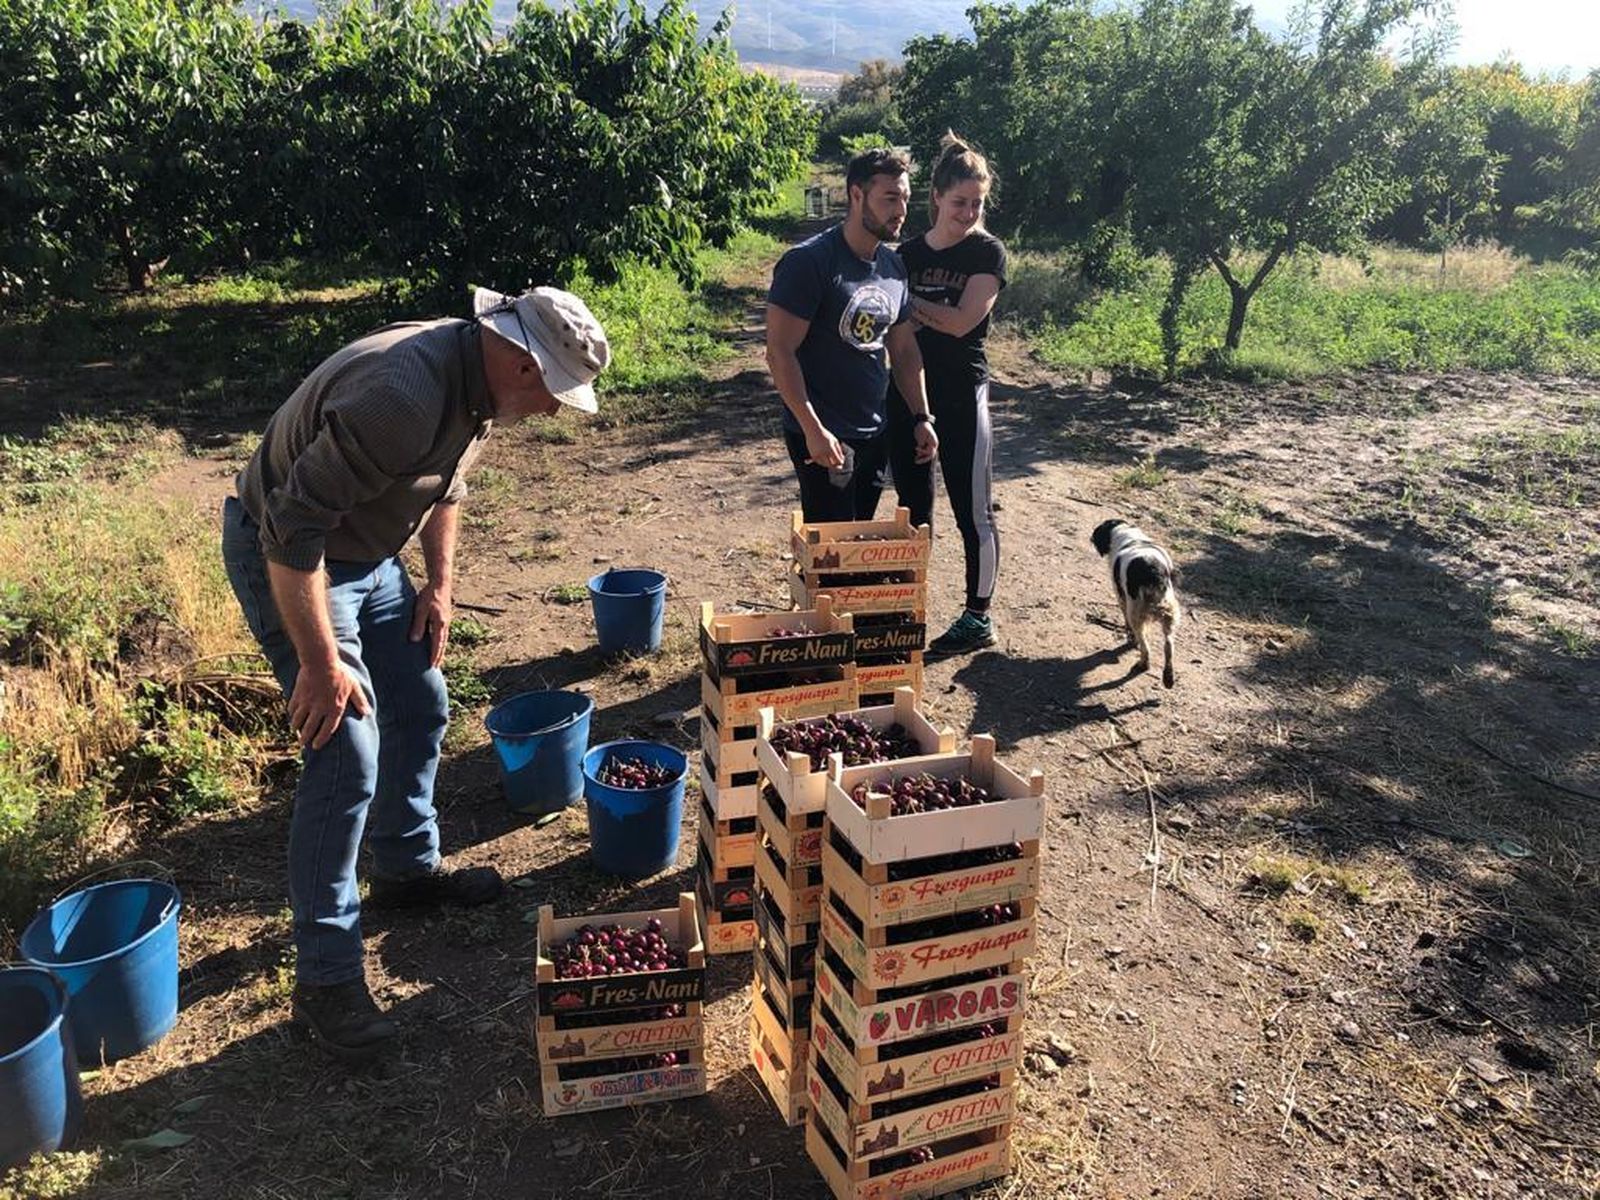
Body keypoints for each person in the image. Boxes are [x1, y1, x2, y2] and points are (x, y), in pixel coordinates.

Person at [221, 286, 610, 1058]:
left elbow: (446, 487)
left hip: (369, 558)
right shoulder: (403, 394)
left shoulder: (477, 384)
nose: (557, 413)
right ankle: (325, 985)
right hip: (300, 560)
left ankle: (405, 868)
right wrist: (320, 663)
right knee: (345, 746)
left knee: (423, 699)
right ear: (524, 364)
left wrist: (438, 584)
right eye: (557, 396)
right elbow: (291, 529)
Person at [766, 148, 938, 521]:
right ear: (856, 195)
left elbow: (904, 348)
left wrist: (922, 416)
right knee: (833, 553)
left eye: (905, 198)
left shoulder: (893, 267)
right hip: (822, 432)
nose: (901, 210)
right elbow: (780, 352)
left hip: (873, 429)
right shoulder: (810, 262)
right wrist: (813, 429)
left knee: (857, 540)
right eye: (890, 198)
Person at [887, 134, 1008, 658]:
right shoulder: (906, 254)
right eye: (960, 202)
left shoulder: (988, 251)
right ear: (935, 197)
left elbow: (962, 324)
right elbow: (896, 332)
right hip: (909, 396)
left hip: (963, 394)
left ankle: (977, 616)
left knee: (973, 510)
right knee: (913, 511)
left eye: (978, 203)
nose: (969, 212)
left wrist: (911, 303)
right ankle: (907, 614)